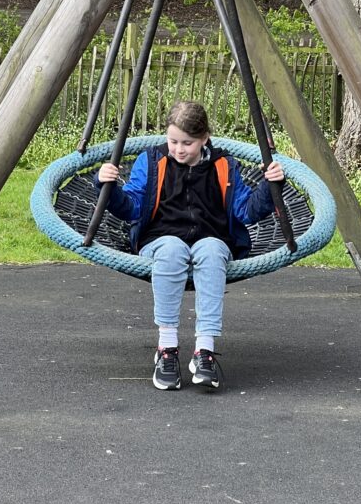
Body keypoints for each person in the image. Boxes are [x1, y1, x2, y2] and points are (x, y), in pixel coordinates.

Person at [95, 100, 285, 391]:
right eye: (173, 141)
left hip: (211, 240)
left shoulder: (223, 165)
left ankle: (204, 351)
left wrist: (270, 186)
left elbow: (246, 211)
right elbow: (132, 207)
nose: (179, 149)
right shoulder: (152, 161)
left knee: (211, 250)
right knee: (172, 249)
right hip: (159, 240)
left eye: (187, 143)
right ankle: (167, 349)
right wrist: (108, 188)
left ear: (204, 138)